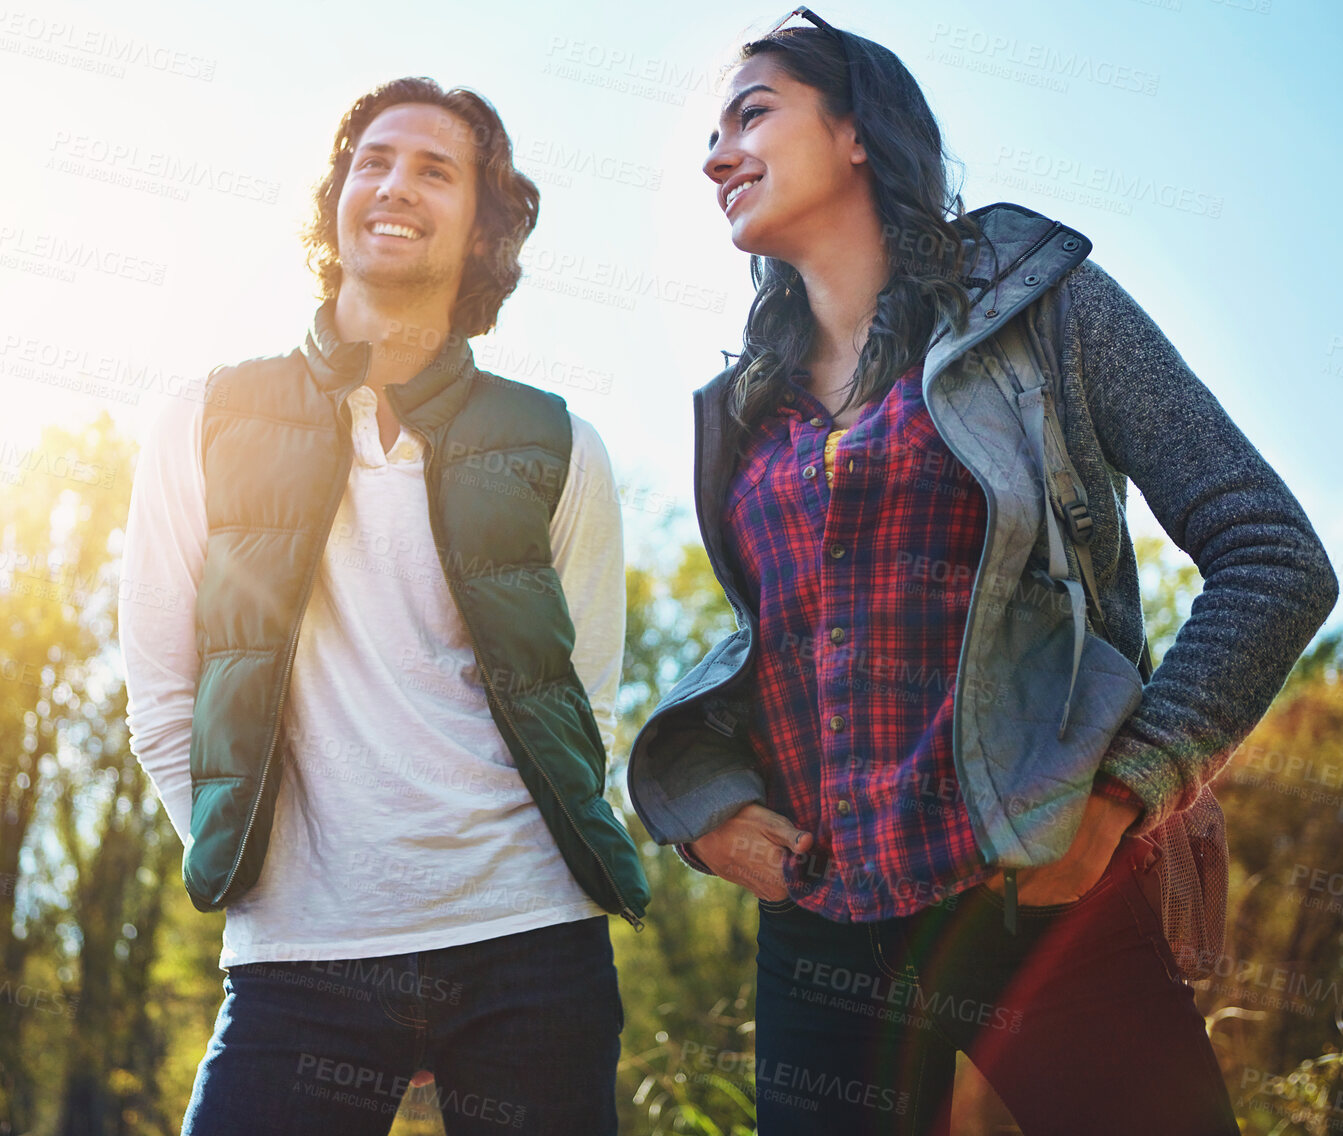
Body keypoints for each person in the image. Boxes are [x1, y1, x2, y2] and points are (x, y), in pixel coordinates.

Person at [624, 10, 1338, 1135]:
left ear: (857, 130)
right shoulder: (745, 416)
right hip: (824, 935)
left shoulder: (1041, 305)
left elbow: (1273, 555)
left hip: (1039, 894)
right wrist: (709, 806)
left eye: (751, 114)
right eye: (710, 135)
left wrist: (1120, 796)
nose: (715, 155)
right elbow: (776, 653)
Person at [119, 76, 648, 1136]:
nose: (394, 184)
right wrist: (253, 870)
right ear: (336, 200)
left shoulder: (559, 444)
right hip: (297, 957)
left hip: (531, 944)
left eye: (434, 169)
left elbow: (584, 705)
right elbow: (164, 700)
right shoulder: (205, 418)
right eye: (373, 160)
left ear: (484, 225)